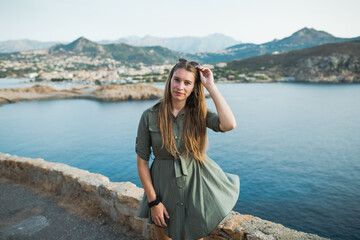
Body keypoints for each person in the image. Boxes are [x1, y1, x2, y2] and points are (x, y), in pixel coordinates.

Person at [136, 59, 240, 240]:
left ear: (193, 87)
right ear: (170, 80)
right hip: (163, 189)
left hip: (196, 188)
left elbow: (229, 124)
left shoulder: (199, 113)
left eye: (187, 83)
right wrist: (154, 202)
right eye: (176, 80)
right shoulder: (149, 116)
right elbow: (142, 163)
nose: (180, 86)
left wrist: (211, 87)